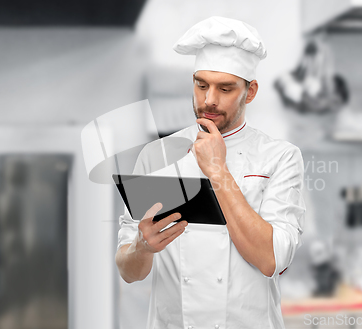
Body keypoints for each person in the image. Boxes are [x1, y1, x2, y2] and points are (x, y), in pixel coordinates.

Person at [115, 16, 306, 329]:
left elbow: (271, 259)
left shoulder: (280, 157)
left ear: (251, 91)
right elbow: (128, 270)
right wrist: (141, 247)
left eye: (225, 88)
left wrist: (217, 169)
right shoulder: (156, 156)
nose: (209, 100)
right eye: (201, 85)